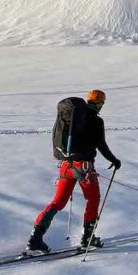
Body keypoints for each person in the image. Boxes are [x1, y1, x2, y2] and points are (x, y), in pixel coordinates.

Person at [27, 90, 122, 253]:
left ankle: (35, 238)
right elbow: (101, 145)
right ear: (100, 103)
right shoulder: (96, 121)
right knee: (93, 198)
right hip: (84, 167)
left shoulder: (71, 117)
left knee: (57, 202)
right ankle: (88, 237)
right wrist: (114, 160)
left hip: (66, 165)